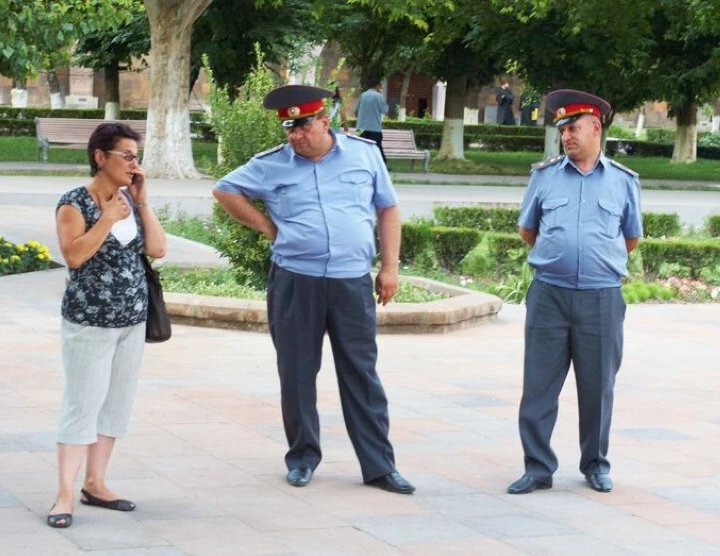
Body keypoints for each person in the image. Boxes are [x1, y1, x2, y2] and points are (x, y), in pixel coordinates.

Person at [213, 84, 415, 495]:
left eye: (303, 126)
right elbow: (225, 190)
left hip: (350, 280)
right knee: (298, 372)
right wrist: (268, 227)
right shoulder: (271, 164)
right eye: (289, 128)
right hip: (295, 279)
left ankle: (379, 466)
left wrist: (390, 267)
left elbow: (388, 208)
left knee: (361, 373)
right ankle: (303, 458)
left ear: (325, 121)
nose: (295, 135)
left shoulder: (364, 154)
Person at [507, 89, 643, 495]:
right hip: (549, 295)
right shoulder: (544, 177)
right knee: (539, 385)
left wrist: (594, 261)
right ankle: (537, 467)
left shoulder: (623, 181)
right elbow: (527, 230)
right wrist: (559, 257)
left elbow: (631, 237)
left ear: (596, 128)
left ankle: (596, 464)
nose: (566, 136)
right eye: (563, 129)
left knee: (598, 387)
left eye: (574, 128)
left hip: (601, 298)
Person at [47, 123, 167, 528]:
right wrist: (106, 219)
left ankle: (96, 483)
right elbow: (74, 256)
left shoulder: (130, 200)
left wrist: (142, 202)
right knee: (83, 402)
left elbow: (157, 249)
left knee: (116, 403)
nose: (135, 163)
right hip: (89, 322)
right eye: (127, 155)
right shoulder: (74, 203)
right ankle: (65, 495)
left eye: (137, 156)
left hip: (131, 320)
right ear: (101, 157)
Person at [354, 77, 389, 164]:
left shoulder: (363, 95)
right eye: (380, 86)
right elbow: (385, 110)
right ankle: (383, 164)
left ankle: (360, 164)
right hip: (374, 128)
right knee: (377, 147)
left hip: (361, 128)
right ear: (377, 86)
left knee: (361, 148)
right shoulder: (378, 96)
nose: (380, 88)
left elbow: (355, 111)